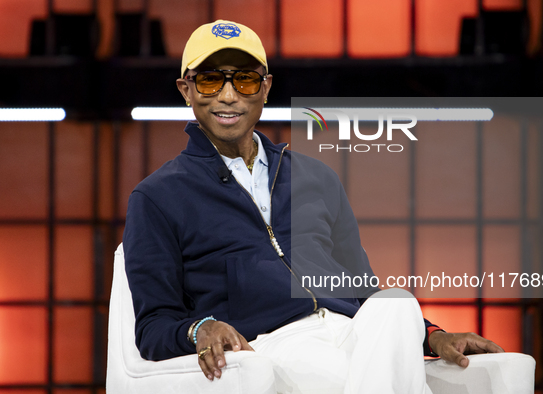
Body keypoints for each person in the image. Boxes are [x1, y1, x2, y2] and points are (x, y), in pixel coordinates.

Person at [122, 19, 503, 393]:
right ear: (185, 89)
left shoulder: (315, 177)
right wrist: (200, 327)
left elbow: (363, 289)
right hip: (276, 343)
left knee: (396, 304)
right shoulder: (156, 197)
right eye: (209, 80)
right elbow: (154, 326)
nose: (228, 95)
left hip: (352, 329)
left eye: (245, 79)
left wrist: (433, 336)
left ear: (265, 88)